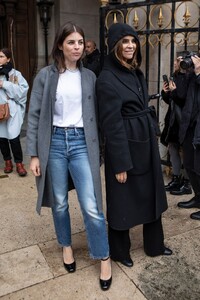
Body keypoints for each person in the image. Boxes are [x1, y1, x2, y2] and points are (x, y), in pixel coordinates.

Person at [26, 21, 112, 291]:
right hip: (53, 143)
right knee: (60, 202)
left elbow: (99, 116)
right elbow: (35, 114)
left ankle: (103, 256)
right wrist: (34, 155)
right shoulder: (46, 75)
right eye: (71, 42)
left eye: (80, 42)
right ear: (61, 45)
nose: (77, 47)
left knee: (91, 204)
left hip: (81, 143)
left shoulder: (90, 77)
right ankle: (66, 246)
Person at [96, 23, 172, 267]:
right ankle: (119, 251)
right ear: (115, 45)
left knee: (152, 194)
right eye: (125, 42)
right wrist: (119, 163)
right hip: (125, 146)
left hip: (144, 141)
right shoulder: (106, 78)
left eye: (133, 41)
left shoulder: (135, 71)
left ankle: (154, 245)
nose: (130, 46)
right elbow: (112, 124)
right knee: (122, 199)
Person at [161, 56, 192, 195]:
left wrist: (173, 93)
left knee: (186, 151)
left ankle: (186, 182)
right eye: (175, 60)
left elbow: (185, 100)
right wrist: (165, 92)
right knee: (173, 147)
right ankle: (176, 178)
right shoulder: (175, 76)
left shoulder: (190, 78)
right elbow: (171, 101)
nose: (175, 63)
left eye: (178, 60)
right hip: (173, 120)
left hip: (184, 121)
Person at [177, 54, 200, 221]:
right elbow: (182, 96)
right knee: (190, 165)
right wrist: (181, 72)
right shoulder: (191, 73)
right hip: (190, 126)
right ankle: (198, 197)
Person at [0, 48, 28, 176]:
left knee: (14, 137)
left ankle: (19, 163)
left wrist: (5, 84)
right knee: (2, 138)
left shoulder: (15, 74)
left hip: (12, 110)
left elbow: (22, 92)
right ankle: (8, 162)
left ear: (8, 59)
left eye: (1, 56)